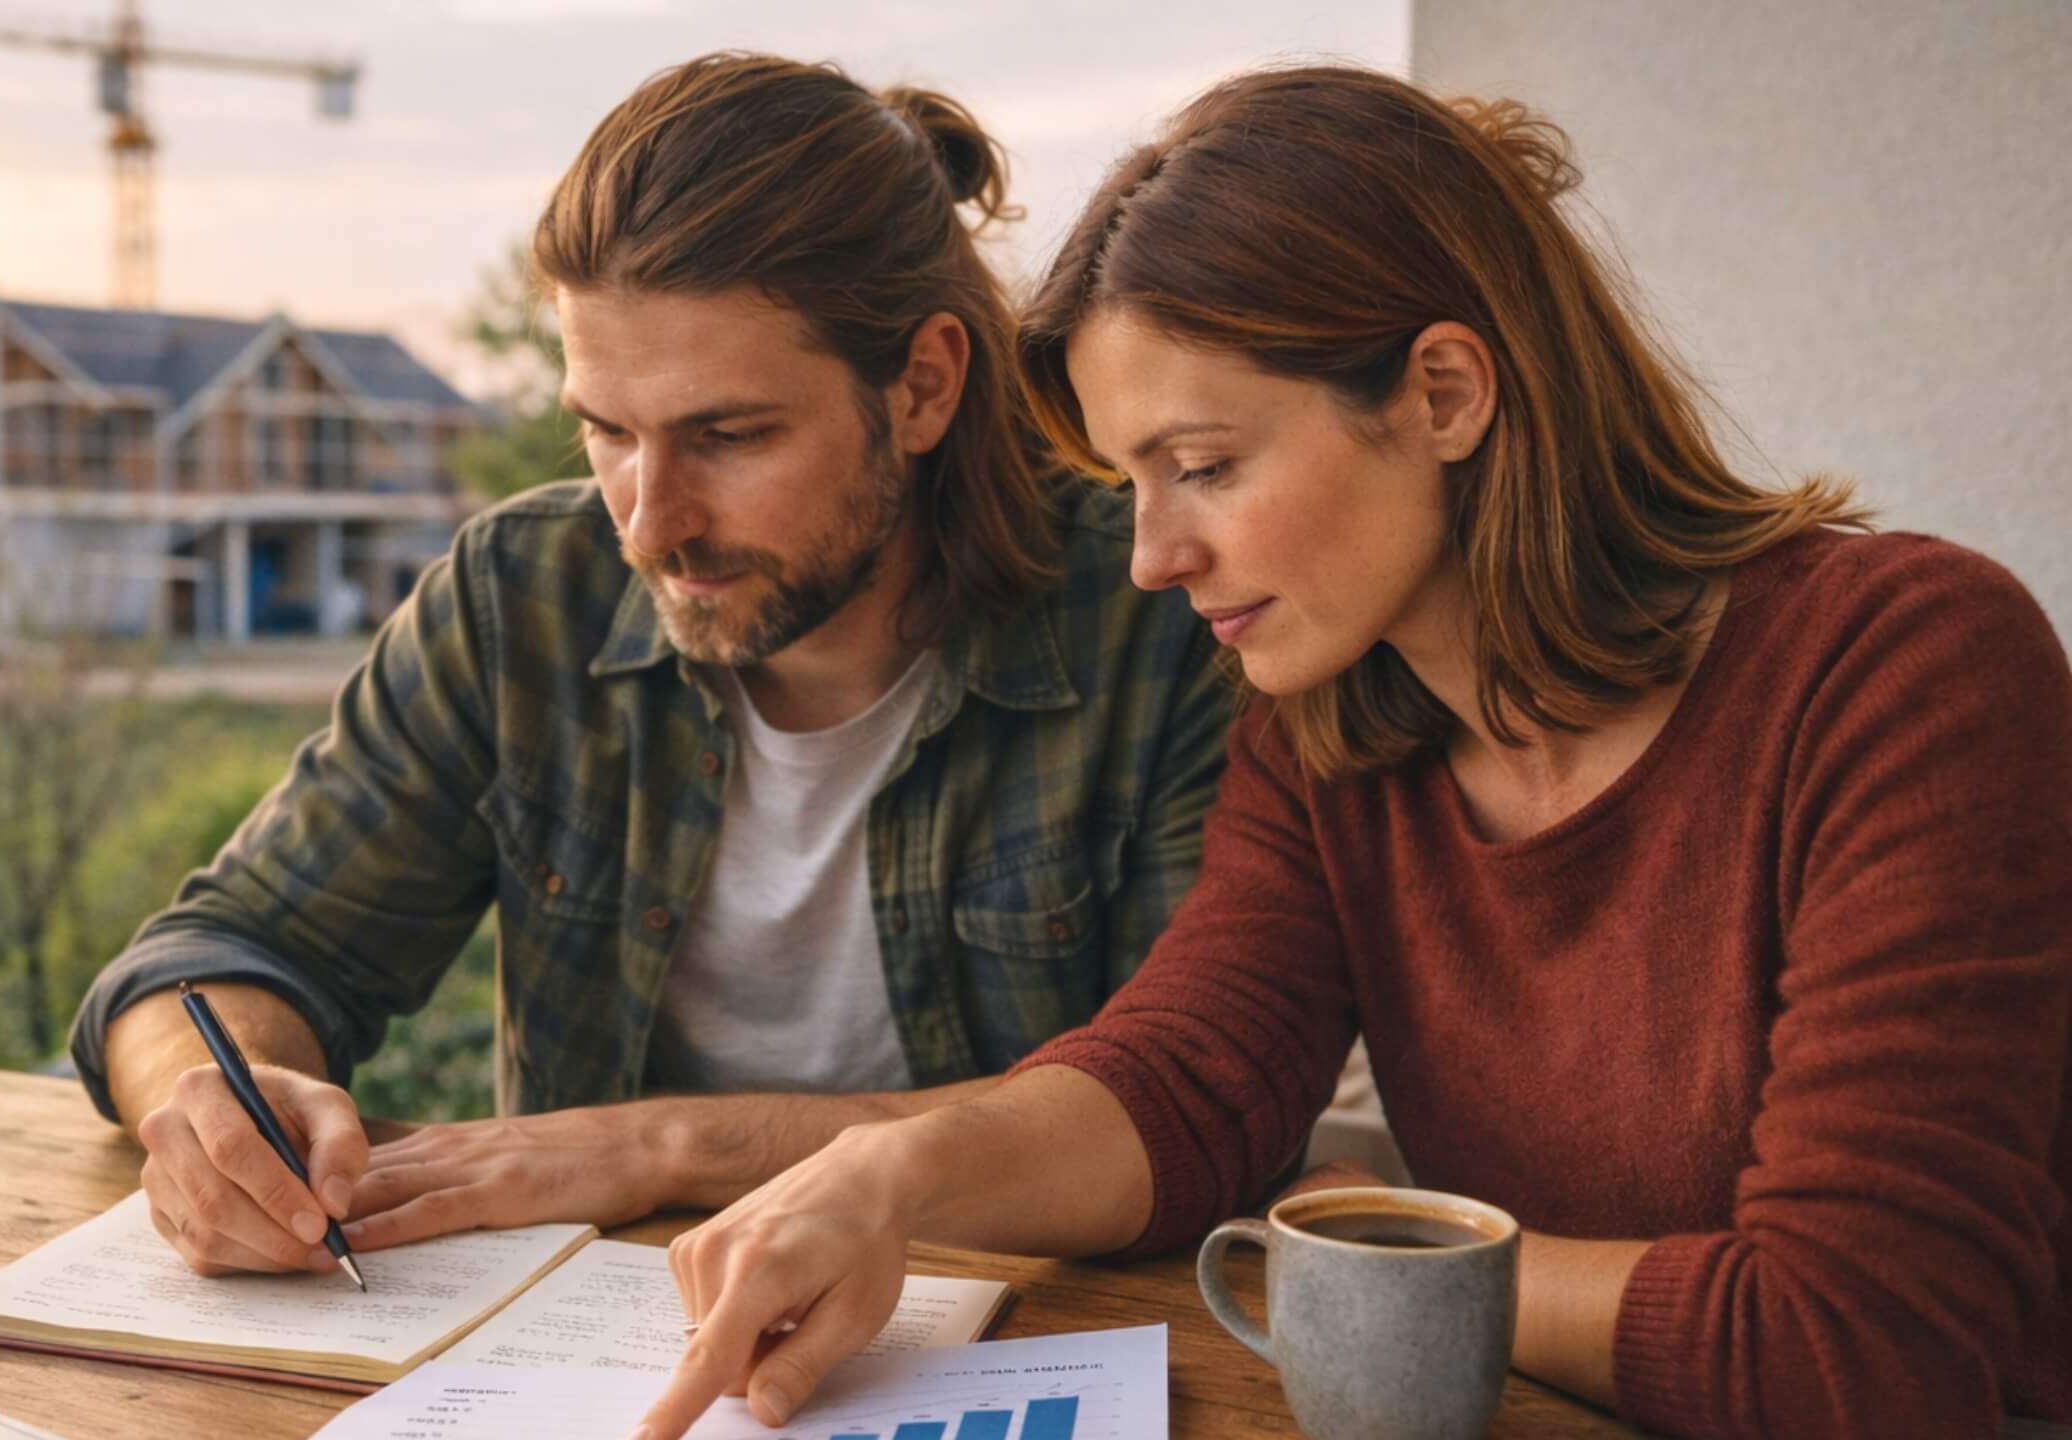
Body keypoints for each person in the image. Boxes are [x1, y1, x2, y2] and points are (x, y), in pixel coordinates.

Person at [636, 65, 2072, 1440]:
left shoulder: (1900, 666)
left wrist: (1373, 1255)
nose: (1150, 556)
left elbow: (1854, 1353)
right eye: (1132, 482)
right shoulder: (1331, 729)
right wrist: (891, 1175)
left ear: (1444, 393)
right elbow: (1187, 1080)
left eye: (1204, 466)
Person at [65, 53, 1227, 1281]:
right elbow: (216, 955)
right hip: (571, 1344)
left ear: (922, 387)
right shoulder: (526, 596)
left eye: (727, 436)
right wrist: (220, 1101)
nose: (649, 522)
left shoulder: (1159, 613)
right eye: (606, 431)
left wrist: (661, 1146)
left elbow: (1183, 1104)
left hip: (1031, 1334)